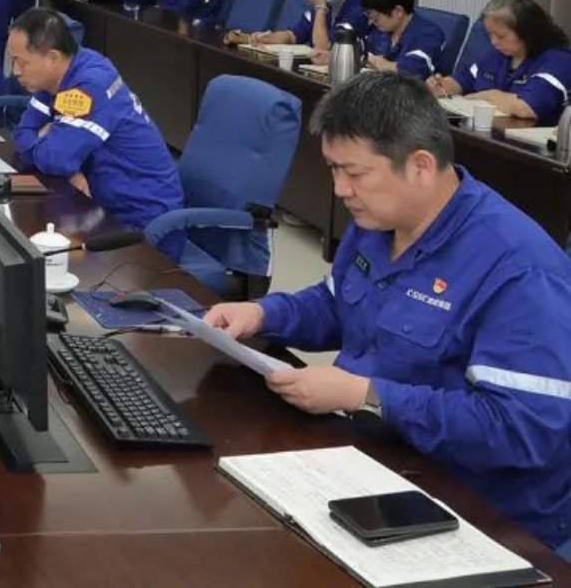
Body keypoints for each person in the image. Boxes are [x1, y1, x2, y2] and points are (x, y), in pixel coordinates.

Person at [204, 74, 571, 556]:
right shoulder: (379, 220)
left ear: (420, 166)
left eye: (354, 174)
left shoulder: (518, 269)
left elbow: (522, 430)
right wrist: (262, 313)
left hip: (483, 512)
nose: (340, 189)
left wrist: (368, 395)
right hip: (378, 460)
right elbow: (338, 304)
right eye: (333, 170)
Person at [6, 8, 183, 227]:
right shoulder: (59, 74)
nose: (15, 71)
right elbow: (22, 132)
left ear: (52, 58)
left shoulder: (90, 84)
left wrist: (58, 158)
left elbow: (54, 159)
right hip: (101, 202)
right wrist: (67, 167)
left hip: (142, 218)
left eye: (21, 62)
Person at [429, 0, 571, 126]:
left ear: (527, 33)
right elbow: (462, 80)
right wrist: (442, 86)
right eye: (489, 35)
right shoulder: (497, 55)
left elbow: (526, 108)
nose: (494, 42)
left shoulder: (558, 60)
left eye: (501, 36)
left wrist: (486, 97)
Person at [359, 0, 444, 81]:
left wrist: (377, 62)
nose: (371, 22)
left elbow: (412, 71)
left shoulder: (429, 34)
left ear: (398, 11)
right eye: (369, 16)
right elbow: (360, 51)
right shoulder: (380, 31)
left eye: (375, 17)